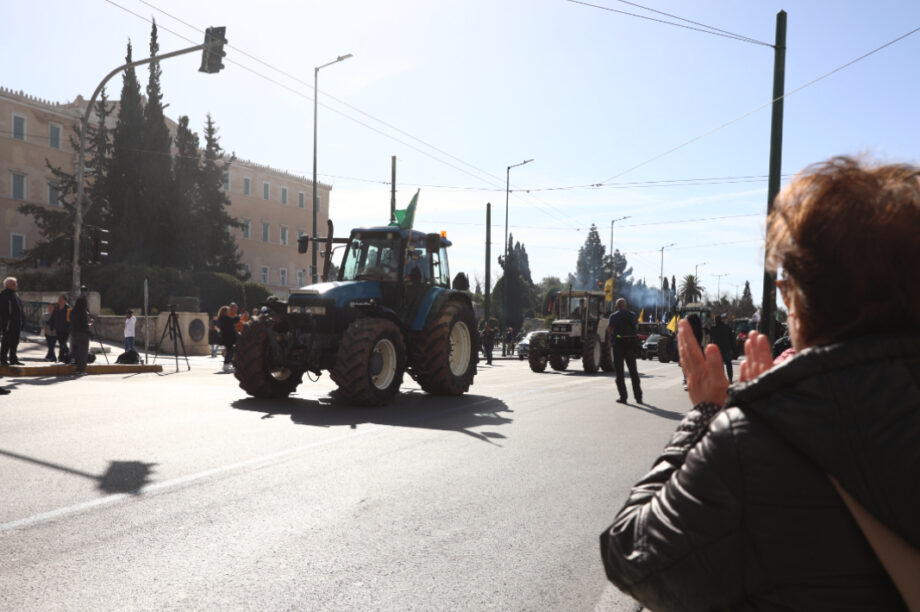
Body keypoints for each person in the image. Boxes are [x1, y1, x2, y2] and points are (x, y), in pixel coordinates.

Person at [600, 156, 920, 610]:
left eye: (786, 287)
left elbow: (630, 554)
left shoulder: (750, 446)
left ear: (804, 300)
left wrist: (707, 416)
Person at [609, 298, 642, 404]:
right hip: (630, 346)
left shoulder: (614, 316)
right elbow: (636, 327)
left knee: (620, 373)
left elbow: (610, 329)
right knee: (633, 372)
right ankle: (638, 397)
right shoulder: (633, 315)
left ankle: (623, 397)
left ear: (616, 306)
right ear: (625, 305)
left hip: (618, 346)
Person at [0, 277, 25, 366]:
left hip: (17, 323)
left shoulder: (15, 294)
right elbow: (3, 310)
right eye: (14, 284)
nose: (16, 285)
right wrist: (7, 320)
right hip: (8, 323)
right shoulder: (4, 295)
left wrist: (22, 320)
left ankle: (13, 359)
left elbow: (20, 308)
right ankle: (3, 359)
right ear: (8, 285)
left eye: (15, 283)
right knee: (6, 341)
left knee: (15, 341)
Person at [709, 313, 734, 382]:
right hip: (727, 349)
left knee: (720, 365)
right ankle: (730, 378)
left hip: (718, 351)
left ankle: (722, 379)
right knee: (729, 364)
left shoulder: (713, 329)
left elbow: (710, 339)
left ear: (715, 320)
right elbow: (732, 338)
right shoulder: (727, 327)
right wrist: (732, 348)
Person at [70, 296, 91, 374]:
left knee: (76, 351)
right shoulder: (83, 312)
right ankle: (81, 369)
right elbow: (84, 324)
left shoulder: (72, 312)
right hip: (83, 334)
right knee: (83, 352)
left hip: (74, 333)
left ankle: (74, 364)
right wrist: (89, 323)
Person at [218, 304, 240, 372]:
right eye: (228, 310)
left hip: (227, 336)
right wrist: (239, 316)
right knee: (230, 351)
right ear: (225, 312)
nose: (229, 311)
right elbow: (234, 320)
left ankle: (227, 364)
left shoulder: (223, 317)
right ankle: (226, 364)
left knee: (230, 350)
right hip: (228, 337)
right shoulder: (225, 318)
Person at [51, 295, 71, 363]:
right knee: (61, 344)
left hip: (66, 330)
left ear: (65, 301)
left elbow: (69, 320)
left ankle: (60, 358)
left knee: (63, 343)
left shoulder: (68, 309)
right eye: (58, 299)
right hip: (58, 329)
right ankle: (67, 355)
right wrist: (51, 327)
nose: (59, 300)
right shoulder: (56, 307)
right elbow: (53, 317)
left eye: (61, 299)